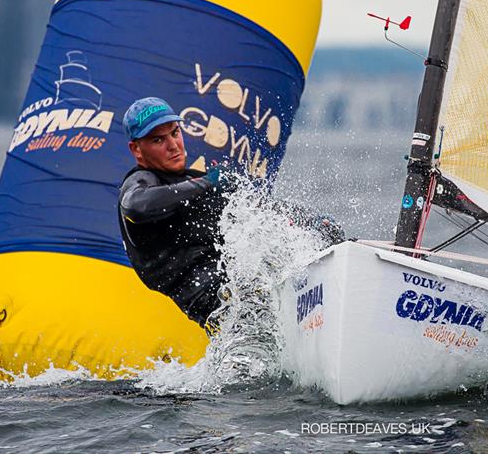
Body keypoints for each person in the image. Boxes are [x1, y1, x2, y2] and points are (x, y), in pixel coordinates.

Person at [118, 97, 342, 330]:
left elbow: (257, 213)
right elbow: (135, 206)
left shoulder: (188, 182)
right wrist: (205, 184)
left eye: (175, 133)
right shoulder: (141, 183)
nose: (173, 145)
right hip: (221, 307)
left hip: (245, 290)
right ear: (136, 149)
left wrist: (309, 221)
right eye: (158, 140)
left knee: (309, 239)